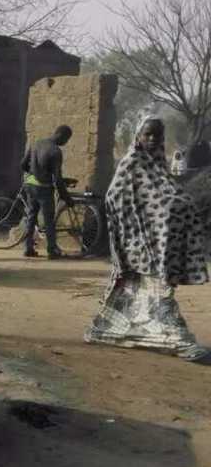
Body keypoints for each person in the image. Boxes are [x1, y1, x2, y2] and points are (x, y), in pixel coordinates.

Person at [85, 117, 209, 364]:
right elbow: (113, 198)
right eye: (147, 134)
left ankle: (111, 332)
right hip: (137, 246)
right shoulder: (131, 163)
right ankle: (179, 341)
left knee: (148, 294)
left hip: (159, 247)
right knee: (158, 297)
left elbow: (166, 196)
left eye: (156, 135)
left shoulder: (159, 165)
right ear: (138, 136)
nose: (151, 139)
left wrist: (174, 210)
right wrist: (143, 221)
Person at [20, 125, 73, 259]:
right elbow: (57, 178)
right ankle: (52, 250)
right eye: (66, 139)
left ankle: (28, 248)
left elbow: (23, 165)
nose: (65, 143)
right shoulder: (55, 152)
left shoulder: (36, 144)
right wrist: (66, 197)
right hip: (44, 188)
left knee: (31, 217)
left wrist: (35, 174)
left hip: (30, 185)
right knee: (49, 220)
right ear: (61, 135)